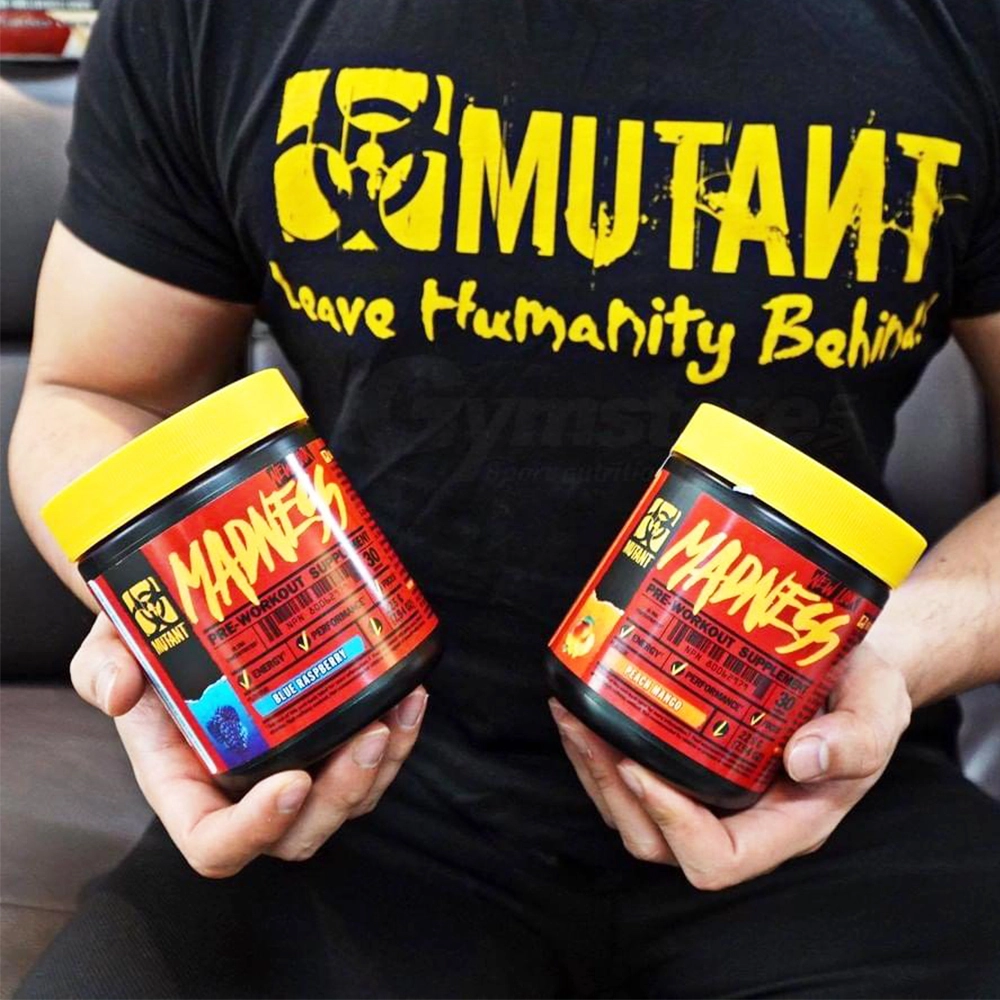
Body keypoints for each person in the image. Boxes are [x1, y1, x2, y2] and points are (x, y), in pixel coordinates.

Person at [9, 1, 1000, 996]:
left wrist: (882, 662)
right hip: (357, 778)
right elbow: (100, 390)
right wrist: (156, 626)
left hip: (812, 788)